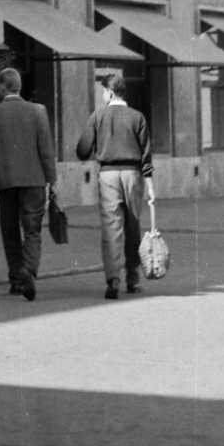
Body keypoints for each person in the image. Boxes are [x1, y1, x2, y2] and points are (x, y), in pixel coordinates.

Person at [0, 67, 55, 301]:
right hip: (34, 180)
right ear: (19, 86)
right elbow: (46, 151)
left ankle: (14, 279)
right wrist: (53, 180)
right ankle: (28, 269)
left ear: (2, 87)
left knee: (9, 229)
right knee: (32, 230)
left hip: (6, 179)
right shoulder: (39, 111)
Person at [75, 72, 154, 299]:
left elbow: (82, 150)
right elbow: (146, 155)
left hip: (108, 175)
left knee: (112, 227)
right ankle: (132, 279)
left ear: (109, 92)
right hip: (133, 174)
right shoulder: (137, 117)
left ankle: (113, 279)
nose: (102, 95)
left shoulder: (98, 116)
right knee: (133, 225)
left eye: (103, 91)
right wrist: (150, 185)